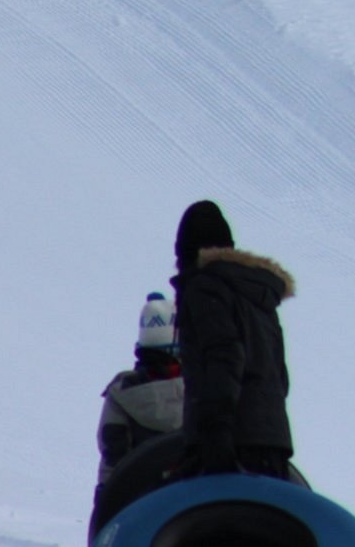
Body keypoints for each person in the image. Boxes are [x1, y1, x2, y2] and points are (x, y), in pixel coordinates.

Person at [171, 200, 297, 480]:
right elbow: (280, 378)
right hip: (272, 445)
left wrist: (214, 434)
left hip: (230, 445)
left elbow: (224, 358)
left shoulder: (204, 287)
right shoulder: (259, 297)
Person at [94, 292, 185, 499]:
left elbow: (112, 456)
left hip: (138, 501)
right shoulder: (205, 389)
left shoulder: (122, 392)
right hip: (191, 503)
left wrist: (105, 498)